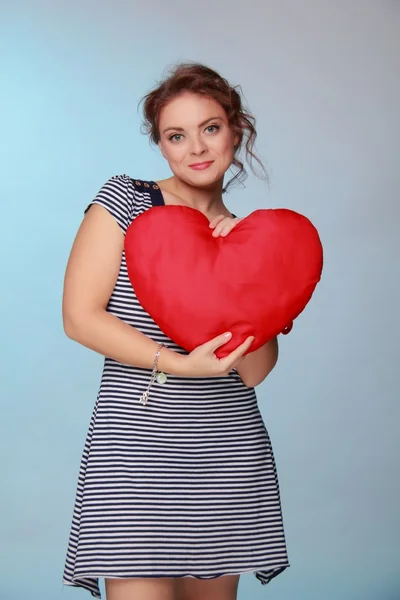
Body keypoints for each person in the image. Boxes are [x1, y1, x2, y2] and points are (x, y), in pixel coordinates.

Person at [62, 62, 290, 600]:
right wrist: (176, 362)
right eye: (176, 135)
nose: (196, 148)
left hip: (223, 453)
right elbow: (80, 316)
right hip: (135, 454)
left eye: (210, 127)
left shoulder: (251, 239)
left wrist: (249, 276)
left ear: (236, 128)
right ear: (161, 146)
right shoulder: (126, 201)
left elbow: (254, 371)